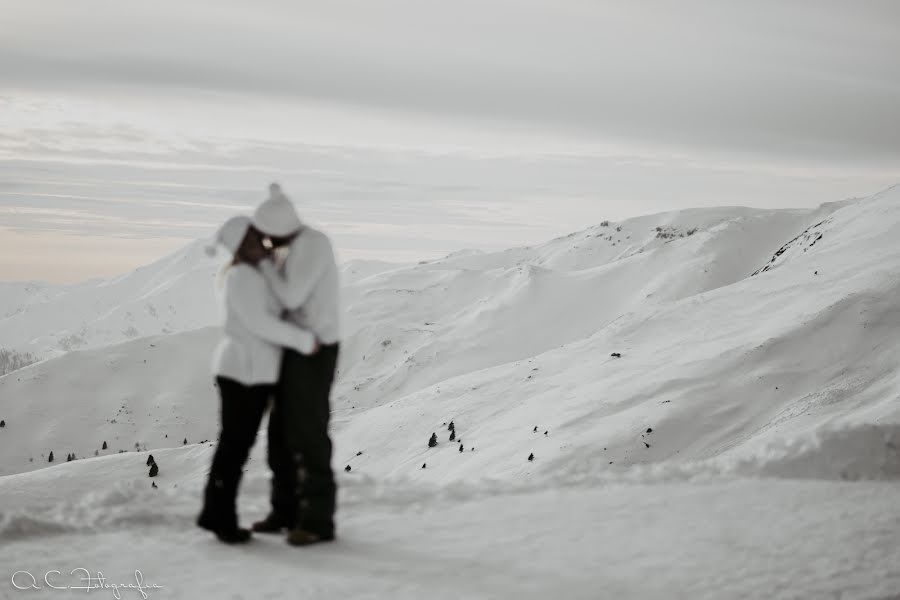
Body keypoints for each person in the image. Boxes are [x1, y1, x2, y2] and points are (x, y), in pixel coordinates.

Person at [197, 215, 318, 544]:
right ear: (238, 247)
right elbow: (259, 323)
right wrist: (303, 341)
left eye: (258, 238)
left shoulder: (256, 274)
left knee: (237, 445)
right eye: (250, 241)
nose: (259, 245)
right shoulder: (240, 277)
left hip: (256, 373)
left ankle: (217, 514)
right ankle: (220, 518)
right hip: (242, 373)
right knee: (234, 447)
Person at [250, 183, 341, 546]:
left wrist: (263, 265)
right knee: (280, 435)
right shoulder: (293, 247)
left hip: (315, 350)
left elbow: (290, 295)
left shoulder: (313, 245)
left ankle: (318, 520)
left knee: (308, 434)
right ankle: (284, 512)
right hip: (292, 347)